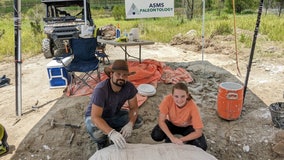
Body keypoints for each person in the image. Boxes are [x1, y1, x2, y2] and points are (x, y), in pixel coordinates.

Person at [84, 59, 143, 150]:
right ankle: (102, 142)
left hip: (113, 114)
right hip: (96, 117)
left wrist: (130, 124)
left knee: (138, 120)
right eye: (118, 74)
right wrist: (111, 132)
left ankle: (117, 135)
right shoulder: (101, 90)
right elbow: (95, 117)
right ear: (111, 74)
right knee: (95, 130)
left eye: (124, 75)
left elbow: (134, 108)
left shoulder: (129, 87)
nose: (121, 77)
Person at [151, 82, 207, 151]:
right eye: (176, 96)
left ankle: (187, 141)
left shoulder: (193, 107)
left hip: (186, 127)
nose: (179, 100)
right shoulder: (167, 100)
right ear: (172, 95)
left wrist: (181, 140)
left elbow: (198, 132)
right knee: (156, 135)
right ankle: (169, 138)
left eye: (183, 96)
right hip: (171, 123)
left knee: (202, 146)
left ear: (187, 95)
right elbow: (161, 121)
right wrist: (172, 138)